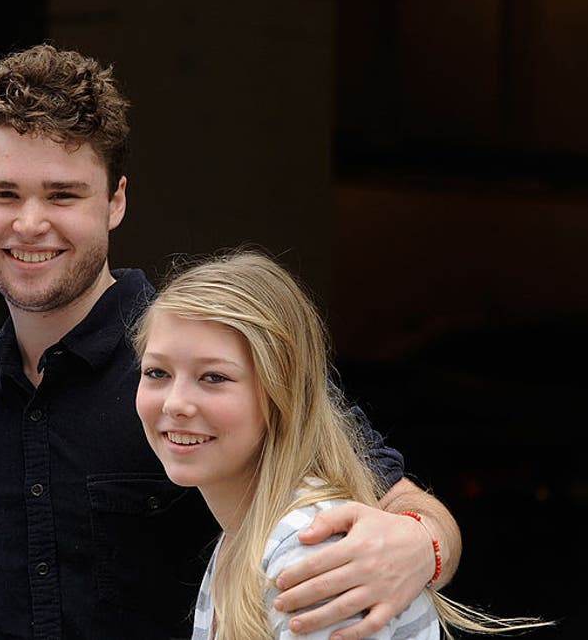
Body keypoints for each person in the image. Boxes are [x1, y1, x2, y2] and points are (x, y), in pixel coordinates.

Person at [0, 44, 462, 639]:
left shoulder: (204, 356)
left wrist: (422, 545)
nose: (31, 222)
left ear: (115, 200)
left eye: (63, 194)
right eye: (3, 194)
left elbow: (394, 503)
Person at [133, 250, 549, 639]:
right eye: (156, 373)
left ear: (283, 393)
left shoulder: (307, 550)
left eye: (213, 377)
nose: (175, 403)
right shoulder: (247, 535)